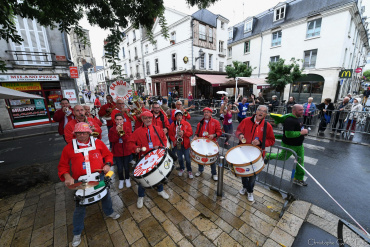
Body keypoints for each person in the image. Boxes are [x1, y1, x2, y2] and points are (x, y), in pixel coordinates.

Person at [58, 122, 120, 247]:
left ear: (89, 133)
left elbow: (108, 154)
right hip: (81, 182)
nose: (82, 135)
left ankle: (109, 212)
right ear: (75, 134)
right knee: (80, 206)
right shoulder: (69, 148)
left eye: (84, 132)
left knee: (105, 195)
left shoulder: (98, 143)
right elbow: (63, 165)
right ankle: (77, 232)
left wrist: (107, 164)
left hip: (98, 177)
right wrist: (67, 176)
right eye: (79, 133)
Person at [127, 111, 170, 209]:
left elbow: (164, 139)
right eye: (145, 118)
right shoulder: (137, 131)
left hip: (156, 156)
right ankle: (141, 196)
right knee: (143, 178)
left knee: (159, 174)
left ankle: (160, 190)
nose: (148, 120)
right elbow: (130, 143)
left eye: (150, 118)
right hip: (143, 158)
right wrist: (135, 148)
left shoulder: (158, 129)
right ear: (142, 119)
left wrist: (160, 146)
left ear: (152, 119)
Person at [236, 105, 275, 201]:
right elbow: (238, 131)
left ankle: (250, 191)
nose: (261, 112)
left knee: (253, 174)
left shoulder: (267, 125)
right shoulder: (246, 120)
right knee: (244, 172)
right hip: (244, 152)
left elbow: (272, 140)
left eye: (264, 111)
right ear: (256, 111)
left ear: (266, 114)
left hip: (257, 155)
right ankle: (245, 187)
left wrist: (261, 142)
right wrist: (240, 136)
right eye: (259, 110)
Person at [266, 104, 308, 186]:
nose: (302, 111)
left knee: (300, 162)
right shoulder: (290, 120)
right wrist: (301, 133)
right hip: (289, 145)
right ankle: (267, 155)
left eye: (303, 109)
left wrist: (302, 133)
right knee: (282, 157)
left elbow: (297, 129)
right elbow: (288, 134)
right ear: (294, 111)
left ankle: (298, 178)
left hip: (299, 145)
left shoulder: (298, 118)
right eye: (300, 110)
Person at [194, 107, 222, 181]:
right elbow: (196, 133)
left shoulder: (216, 122)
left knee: (212, 159)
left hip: (211, 144)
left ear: (211, 113)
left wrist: (213, 135)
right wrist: (195, 136)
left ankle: (214, 173)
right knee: (200, 157)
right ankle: (200, 170)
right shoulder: (200, 123)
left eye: (207, 112)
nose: (206, 114)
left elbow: (219, 132)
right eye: (205, 112)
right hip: (202, 143)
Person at [108, 113, 132, 189]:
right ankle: (121, 179)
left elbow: (128, 139)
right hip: (117, 152)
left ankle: (127, 179)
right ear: (115, 120)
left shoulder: (127, 128)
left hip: (126, 151)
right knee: (120, 168)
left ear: (123, 120)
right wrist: (116, 132)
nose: (119, 121)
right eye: (117, 119)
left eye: (120, 119)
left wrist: (122, 133)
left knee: (126, 167)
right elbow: (112, 140)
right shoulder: (112, 129)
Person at [169, 110, 194, 178]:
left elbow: (191, 133)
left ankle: (189, 170)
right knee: (180, 158)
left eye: (180, 115)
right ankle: (182, 168)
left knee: (187, 159)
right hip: (178, 144)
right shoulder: (173, 125)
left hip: (186, 144)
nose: (179, 117)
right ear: (175, 117)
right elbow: (170, 134)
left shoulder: (186, 124)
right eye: (177, 115)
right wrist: (174, 140)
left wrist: (184, 132)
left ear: (182, 116)